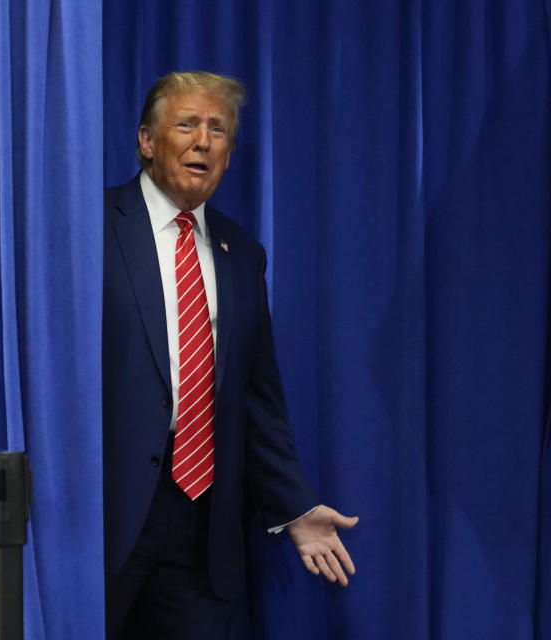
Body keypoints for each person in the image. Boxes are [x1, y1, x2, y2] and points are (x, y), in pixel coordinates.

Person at [103, 71, 358, 639]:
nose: (204, 141)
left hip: (205, 525)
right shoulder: (90, 227)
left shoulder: (241, 253)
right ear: (147, 140)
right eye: (187, 124)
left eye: (219, 130)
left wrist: (294, 506)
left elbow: (256, 396)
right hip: (104, 519)